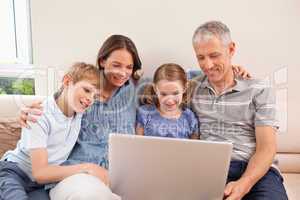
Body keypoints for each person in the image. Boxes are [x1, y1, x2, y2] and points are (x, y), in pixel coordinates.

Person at [18, 34, 250, 200]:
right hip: (81, 173)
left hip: (124, 176)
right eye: (116, 65)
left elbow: (177, 77)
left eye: (128, 67)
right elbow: (58, 104)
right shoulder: (85, 91)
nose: (122, 72)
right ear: (102, 61)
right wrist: (28, 111)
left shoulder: (136, 87)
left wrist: (230, 68)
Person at [190, 21, 288, 200]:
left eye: (214, 55)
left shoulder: (260, 89)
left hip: (258, 172)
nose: (208, 65)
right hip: (211, 170)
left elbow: (267, 148)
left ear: (231, 49)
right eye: (201, 57)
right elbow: (162, 82)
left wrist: (244, 184)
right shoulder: (190, 87)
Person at [0, 62, 111, 200]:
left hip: (40, 184)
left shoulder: (80, 111)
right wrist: (87, 167)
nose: (90, 100)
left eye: (95, 96)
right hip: (14, 172)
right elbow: (40, 173)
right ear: (67, 81)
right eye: (87, 90)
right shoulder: (39, 114)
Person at [136, 63, 199, 139]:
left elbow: (195, 147)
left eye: (175, 93)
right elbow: (138, 144)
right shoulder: (145, 114)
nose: (169, 101)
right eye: (163, 94)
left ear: (185, 88)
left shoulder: (189, 117)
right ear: (155, 89)